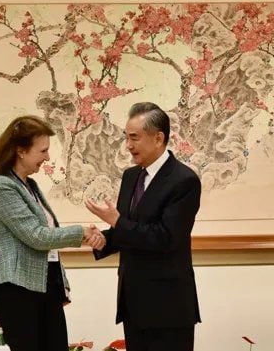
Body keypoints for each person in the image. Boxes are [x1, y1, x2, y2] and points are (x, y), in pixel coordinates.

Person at [85, 102, 202, 351]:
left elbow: (166, 237)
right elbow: (129, 231)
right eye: (126, 138)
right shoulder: (130, 177)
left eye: (134, 138)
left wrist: (116, 222)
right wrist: (104, 239)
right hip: (133, 302)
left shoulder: (184, 181)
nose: (128, 146)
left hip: (168, 307)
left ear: (158, 138)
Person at [0, 115, 105, 351]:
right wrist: (81, 232)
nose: (47, 157)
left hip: (42, 286)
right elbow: (37, 236)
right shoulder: (1, 186)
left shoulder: (29, 185)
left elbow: (46, 237)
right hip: (17, 291)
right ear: (21, 150)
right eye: (43, 151)